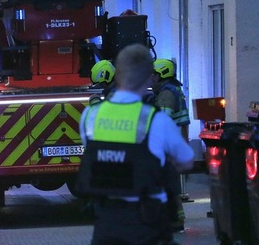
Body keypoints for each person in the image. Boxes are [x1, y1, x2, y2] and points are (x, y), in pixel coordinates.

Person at [76, 44, 194, 245]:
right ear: (149, 76)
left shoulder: (91, 116)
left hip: (105, 225)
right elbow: (187, 161)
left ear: (117, 75)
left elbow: (99, 154)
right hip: (148, 226)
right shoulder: (155, 120)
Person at [152, 58, 191, 233]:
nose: (150, 78)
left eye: (153, 74)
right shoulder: (174, 90)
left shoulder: (166, 94)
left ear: (162, 75)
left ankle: (172, 221)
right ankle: (175, 221)